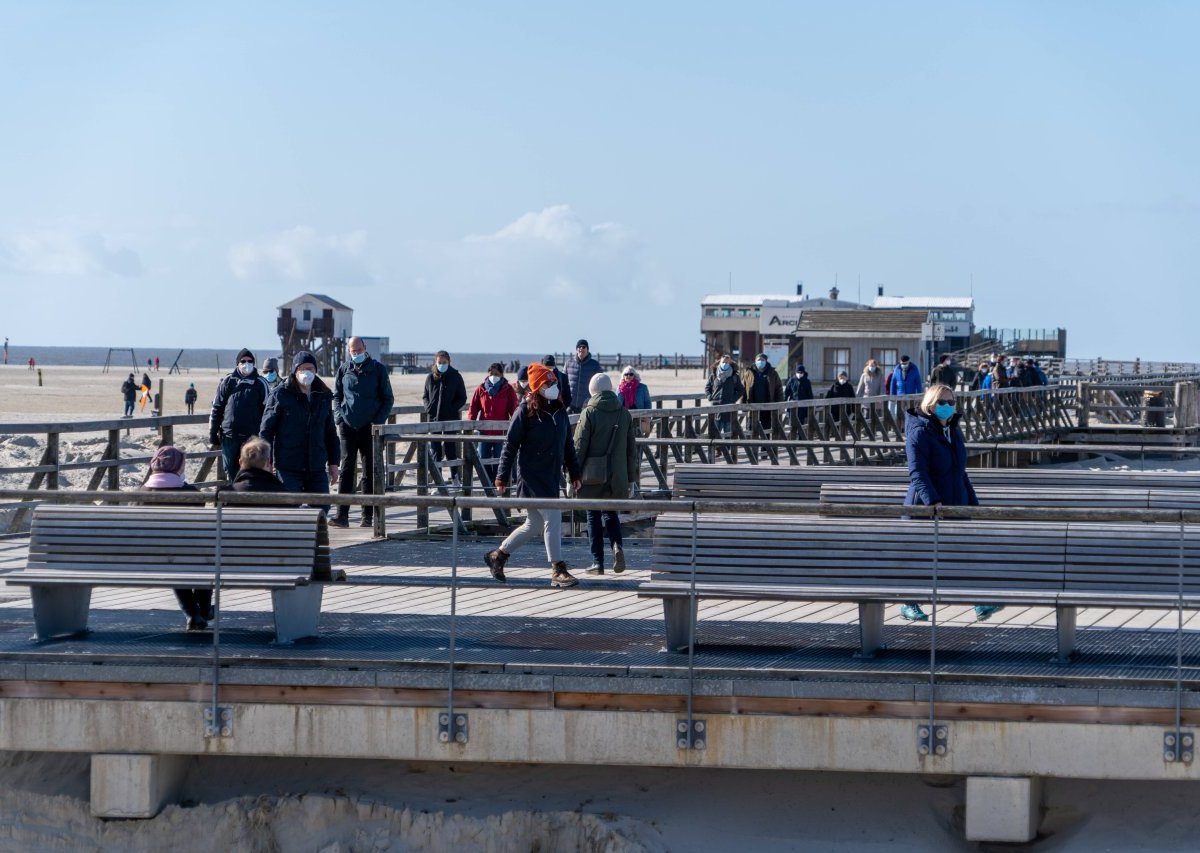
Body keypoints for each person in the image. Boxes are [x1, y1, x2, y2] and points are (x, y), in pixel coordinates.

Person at [900, 384, 1000, 623]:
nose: (947, 407)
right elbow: (917, 473)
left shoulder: (953, 430)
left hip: (956, 499)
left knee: (964, 551)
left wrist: (972, 501)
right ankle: (909, 603)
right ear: (930, 405)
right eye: (942, 402)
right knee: (922, 556)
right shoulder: (919, 432)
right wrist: (933, 501)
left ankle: (978, 601)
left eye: (951, 402)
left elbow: (960, 471)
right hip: (925, 506)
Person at [484, 363, 582, 589]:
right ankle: (558, 569)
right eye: (548, 383)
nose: (553, 387)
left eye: (555, 383)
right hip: (531, 475)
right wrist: (501, 477)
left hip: (551, 474)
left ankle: (498, 556)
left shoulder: (559, 411)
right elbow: (510, 446)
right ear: (537, 386)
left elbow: (567, 445)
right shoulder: (524, 412)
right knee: (553, 517)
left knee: (534, 524)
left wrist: (574, 472)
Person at [259, 351, 340, 514]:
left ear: (316, 370)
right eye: (302, 369)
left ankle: (316, 538)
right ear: (295, 370)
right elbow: (266, 430)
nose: (306, 372)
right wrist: (266, 460)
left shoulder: (323, 395)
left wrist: (334, 463)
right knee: (289, 507)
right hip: (288, 465)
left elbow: (330, 432)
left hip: (316, 464)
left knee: (323, 507)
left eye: (310, 368)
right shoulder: (280, 394)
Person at [139, 445, 209, 631]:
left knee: (173, 558)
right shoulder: (193, 495)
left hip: (146, 557)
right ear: (179, 467)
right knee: (203, 557)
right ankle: (201, 610)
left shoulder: (139, 495)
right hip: (186, 555)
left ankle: (194, 613)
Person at [574, 373, 638, 575]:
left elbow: (579, 447)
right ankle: (617, 546)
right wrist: (631, 479)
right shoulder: (624, 413)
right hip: (617, 475)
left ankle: (597, 562)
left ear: (592, 391)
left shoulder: (589, 412)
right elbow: (631, 450)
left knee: (593, 516)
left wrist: (571, 476)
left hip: (592, 475)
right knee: (611, 514)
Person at [332, 337, 395, 528]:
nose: (356, 354)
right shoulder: (344, 369)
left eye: (359, 350)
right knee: (346, 470)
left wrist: (377, 422)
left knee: (369, 472)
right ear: (348, 351)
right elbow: (336, 395)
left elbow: (388, 399)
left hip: (370, 429)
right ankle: (341, 515)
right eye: (353, 351)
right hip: (348, 427)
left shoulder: (378, 369)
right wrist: (339, 417)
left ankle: (367, 516)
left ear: (365, 349)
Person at [208, 348, 270, 482]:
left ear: (254, 363)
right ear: (237, 363)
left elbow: (268, 411)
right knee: (231, 470)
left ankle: (250, 499)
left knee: (252, 471)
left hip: (252, 438)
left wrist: (266, 435)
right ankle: (233, 500)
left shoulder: (260, 383)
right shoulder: (227, 381)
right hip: (230, 435)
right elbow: (217, 407)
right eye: (243, 361)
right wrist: (213, 432)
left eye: (249, 361)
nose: (246, 364)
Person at [422, 351, 467, 486]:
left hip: (450, 419)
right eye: (439, 362)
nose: (441, 365)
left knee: (450, 449)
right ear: (435, 362)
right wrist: (428, 408)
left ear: (449, 362)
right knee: (435, 451)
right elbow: (425, 395)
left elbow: (462, 397)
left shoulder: (456, 377)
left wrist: (452, 408)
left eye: (444, 362)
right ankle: (438, 481)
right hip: (434, 419)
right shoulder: (430, 377)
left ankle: (455, 478)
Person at [469, 362, 520, 476]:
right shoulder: (481, 389)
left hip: (501, 432)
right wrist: (470, 423)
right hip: (484, 431)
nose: (493, 376)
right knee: (483, 457)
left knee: (500, 458)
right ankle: (488, 481)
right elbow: (474, 407)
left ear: (502, 375)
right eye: (491, 373)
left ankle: (497, 481)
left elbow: (514, 409)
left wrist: (515, 426)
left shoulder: (508, 389)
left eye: (496, 374)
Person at [740, 353, 783, 433]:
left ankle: (765, 445)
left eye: (762, 360)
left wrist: (779, 405)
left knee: (766, 429)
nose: (760, 361)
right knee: (751, 428)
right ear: (755, 361)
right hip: (752, 406)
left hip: (767, 406)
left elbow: (779, 389)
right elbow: (743, 389)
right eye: (758, 360)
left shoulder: (772, 373)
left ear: (766, 361)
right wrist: (743, 405)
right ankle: (751, 445)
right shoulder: (748, 373)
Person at [705, 355, 744, 436]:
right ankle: (716, 448)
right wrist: (709, 397)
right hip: (715, 409)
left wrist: (733, 399)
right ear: (719, 363)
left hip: (729, 409)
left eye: (727, 362)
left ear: (730, 363)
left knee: (728, 434)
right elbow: (707, 388)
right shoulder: (714, 375)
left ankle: (727, 448)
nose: (725, 364)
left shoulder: (734, 376)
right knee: (714, 435)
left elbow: (741, 390)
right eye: (723, 362)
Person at [566, 339, 601, 414]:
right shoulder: (568, 363)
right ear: (576, 349)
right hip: (570, 404)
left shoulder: (595, 365)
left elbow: (600, 384)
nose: (581, 348)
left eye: (584, 347)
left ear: (587, 350)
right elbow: (562, 382)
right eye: (579, 347)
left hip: (587, 404)